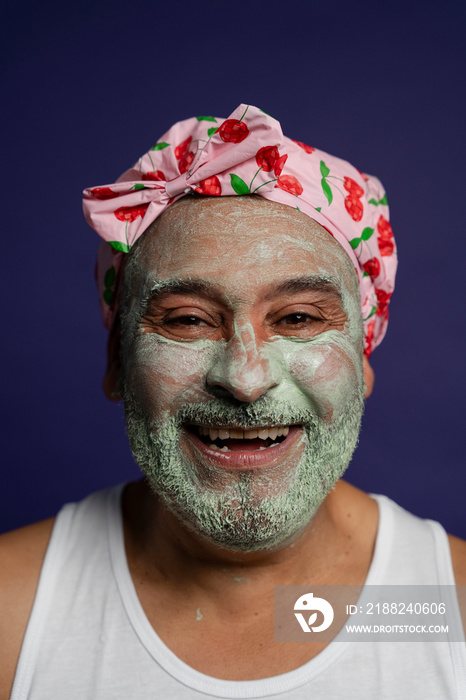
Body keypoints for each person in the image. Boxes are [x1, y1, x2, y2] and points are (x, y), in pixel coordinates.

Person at [1, 104, 465, 699]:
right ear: (118, 360)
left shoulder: (448, 609)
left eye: (298, 317)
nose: (245, 380)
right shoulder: (12, 615)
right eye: (188, 320)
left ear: (363, 353)